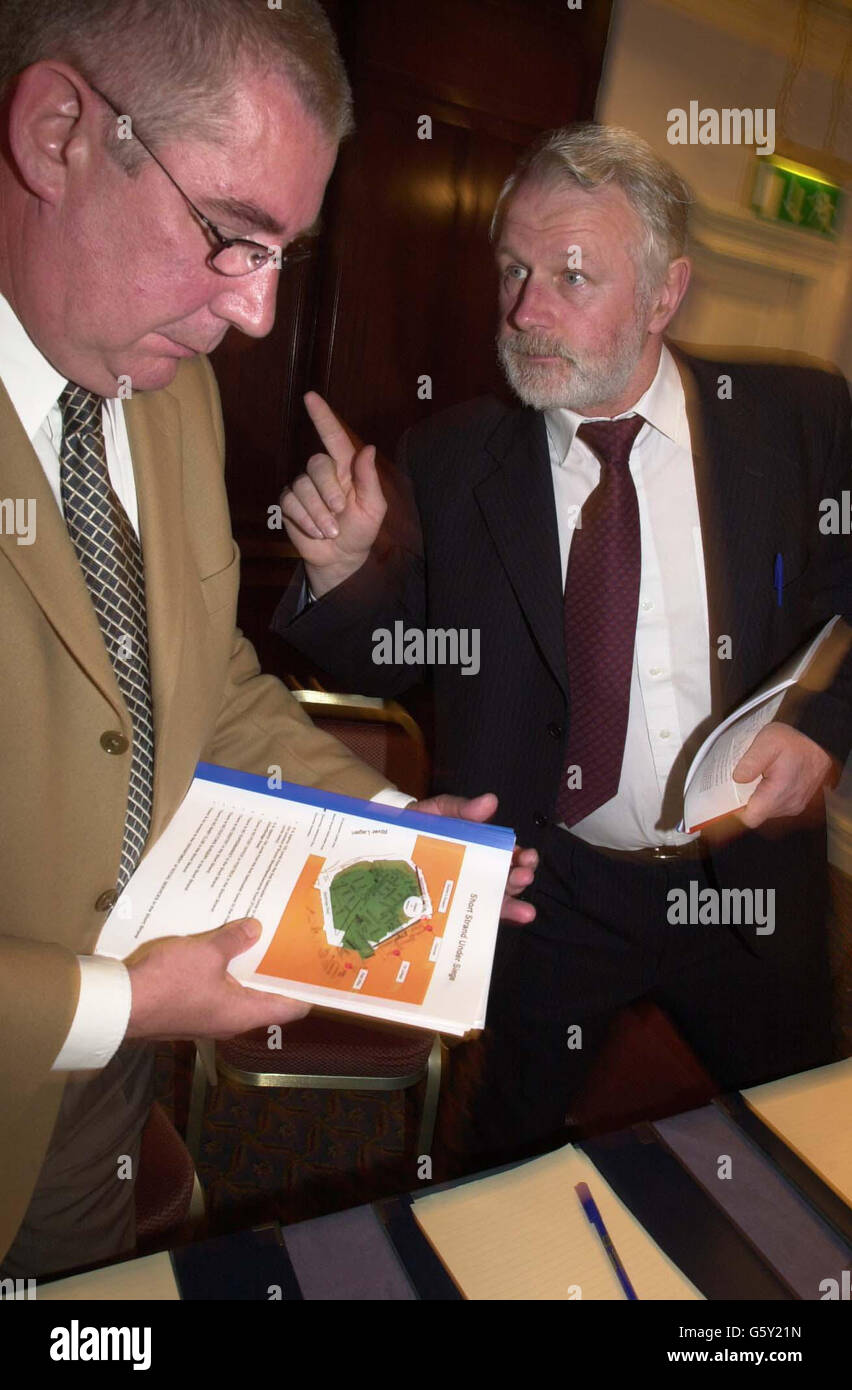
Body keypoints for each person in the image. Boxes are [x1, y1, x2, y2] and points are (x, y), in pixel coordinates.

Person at [0, 0, 535, 1277]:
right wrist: (130, 1001)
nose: (253, 316)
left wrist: (391, 822)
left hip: (94, 1118)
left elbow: (204, 682)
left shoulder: (168, 398)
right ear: (59, 132)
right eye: (230, 237)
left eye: (279, 255)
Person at [274, 123, 852, 1167]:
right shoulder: (454, 460)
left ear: (664, 293)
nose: (525, 311)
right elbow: (400, 657)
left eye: (571, 276)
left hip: (748, 880)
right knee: (503, 1155)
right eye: (514, 271)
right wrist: (338, 572)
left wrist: (825, 728)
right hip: (556, 888)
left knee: (797, 1139)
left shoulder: (794, 418)